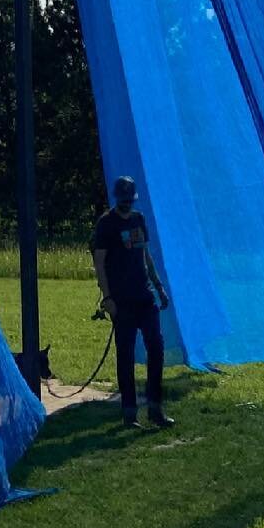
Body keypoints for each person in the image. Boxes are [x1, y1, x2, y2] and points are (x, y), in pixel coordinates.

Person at [91, 174, 173, 430]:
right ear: (118, 199)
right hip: (121, 301)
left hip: (144, 297)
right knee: (125, 356)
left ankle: (155, 408)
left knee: (156, 350)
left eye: (130, 200)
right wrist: (107, 299)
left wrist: (159, 287)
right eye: (123, 200)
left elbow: (146, 255)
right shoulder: (106, 224)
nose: (127, 204)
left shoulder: (139, 219)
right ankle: (129, 413)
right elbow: (100, 264)